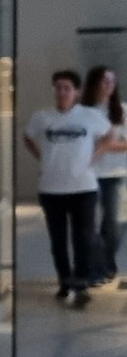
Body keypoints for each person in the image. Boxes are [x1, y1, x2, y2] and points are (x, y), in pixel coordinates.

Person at [24, 69, 112, 306]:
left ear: (76, 91)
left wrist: (97, 153)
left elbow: (108, 134)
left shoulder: (89, 116)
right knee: (58, 240)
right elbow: (27, 137)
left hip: (83, 188)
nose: (62, 92)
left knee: (83, 237)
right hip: (51, 189)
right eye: (58, 88)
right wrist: (41, 157)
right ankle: (64, 281)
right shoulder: (42, 117)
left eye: (67, 88)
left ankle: (81, 282)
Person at [80, 65, 127, 285]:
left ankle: (106, 261)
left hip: (116, 174)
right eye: (104, 81)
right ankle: (95, 268)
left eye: (112, 81)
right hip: (88, 174)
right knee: (89, 224)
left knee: (115, 224)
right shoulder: (82, 112)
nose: (109, 85)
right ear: (94, 84)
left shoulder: (121, 111)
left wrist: (105, 146)